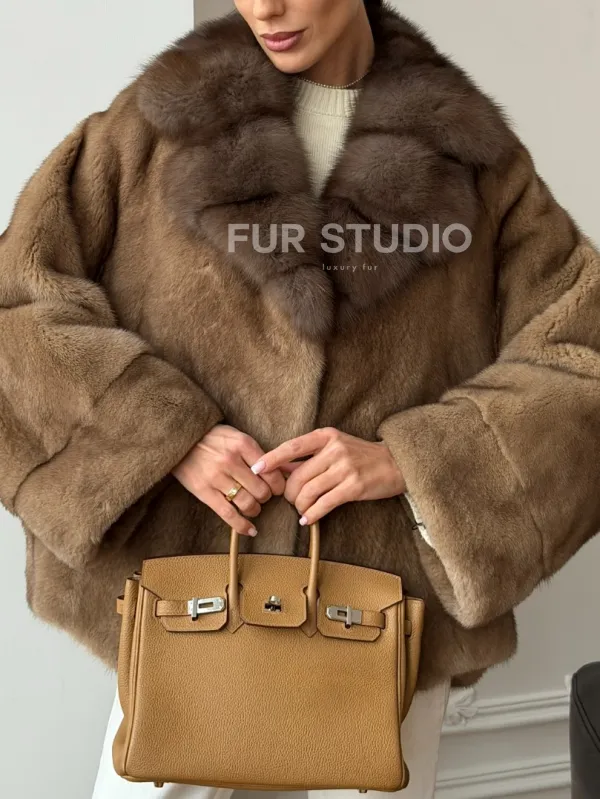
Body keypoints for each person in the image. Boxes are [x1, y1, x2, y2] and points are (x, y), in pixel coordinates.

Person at [1, 0, 599, 796]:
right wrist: (162, 435)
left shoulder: (474, 160)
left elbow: (581, 357)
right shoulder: (156, 124)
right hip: (183, 602)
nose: (264, 8)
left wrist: (415, 460)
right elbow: (17, 306)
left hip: (382, 617)